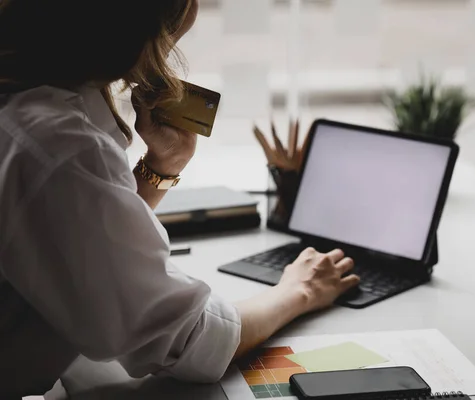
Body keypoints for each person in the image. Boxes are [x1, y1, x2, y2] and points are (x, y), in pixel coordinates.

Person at [0, 0, 360, 397]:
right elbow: (186, 340)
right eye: (165, 41)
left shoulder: (31, 109)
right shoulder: (55, 146)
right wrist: (299, 289)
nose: (159, 60)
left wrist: (163, 165)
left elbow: (77, 242)